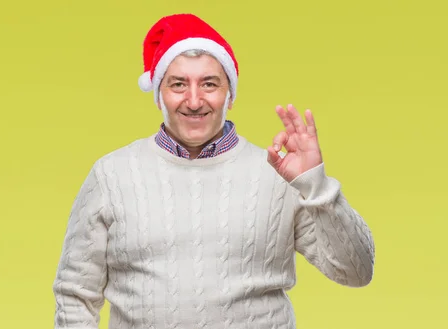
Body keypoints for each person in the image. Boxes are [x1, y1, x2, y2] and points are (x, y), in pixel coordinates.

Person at [52, 13, 375, 329]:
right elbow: (75, 293)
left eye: (209, 84)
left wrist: (314, 184)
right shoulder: (112, 174)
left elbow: (356, 273)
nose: (194, 101)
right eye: (178, 84)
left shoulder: (279, 175)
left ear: (229, 95)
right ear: (158, 95)